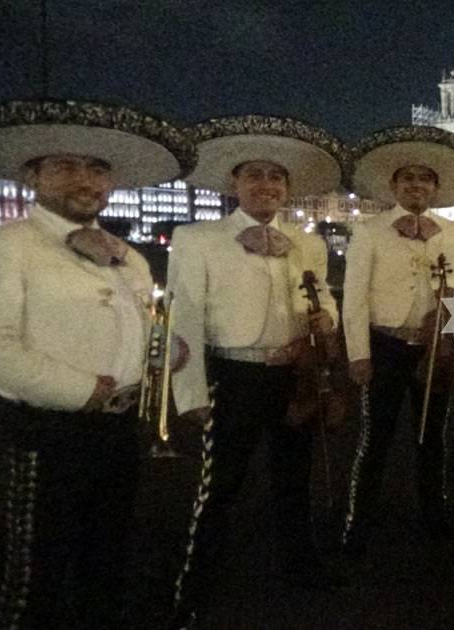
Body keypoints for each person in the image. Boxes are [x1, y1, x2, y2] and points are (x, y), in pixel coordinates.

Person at [0, 99, 193, 628]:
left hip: (119, 430)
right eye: (64, 166)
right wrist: (82, 389)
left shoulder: (127, 255)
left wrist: (166, 349)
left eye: (96, 168)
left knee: (106, 562)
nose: (84, 179)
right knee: (34, 573)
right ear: (32, 176)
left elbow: (137, 325)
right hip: (48, 430)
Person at [166, 115, 347, 626]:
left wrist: (325, 318)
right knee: (219, 486)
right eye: (255, 176)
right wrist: (191, 391)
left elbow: (324, 297)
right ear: (235, 184)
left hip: (295, 377)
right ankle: (194, 583)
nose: (267, 185)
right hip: (235, 375)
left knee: (294, 479)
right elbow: (185, 318)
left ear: (287, 188)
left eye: (276, 178)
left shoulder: (306, 242)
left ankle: (300, 565)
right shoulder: (198, 238)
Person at [341, 126, 454, 548]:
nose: (416, 185)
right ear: (394, 185)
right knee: (375, 437)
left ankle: (434, 517)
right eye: (408, 179)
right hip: (385, 345)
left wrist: (450, 324)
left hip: (434, 347)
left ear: (435, 188)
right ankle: (357, 521)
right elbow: (354, 297)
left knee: (432, 435)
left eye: (425, 179)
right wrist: (358, 354)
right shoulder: (369, 230)